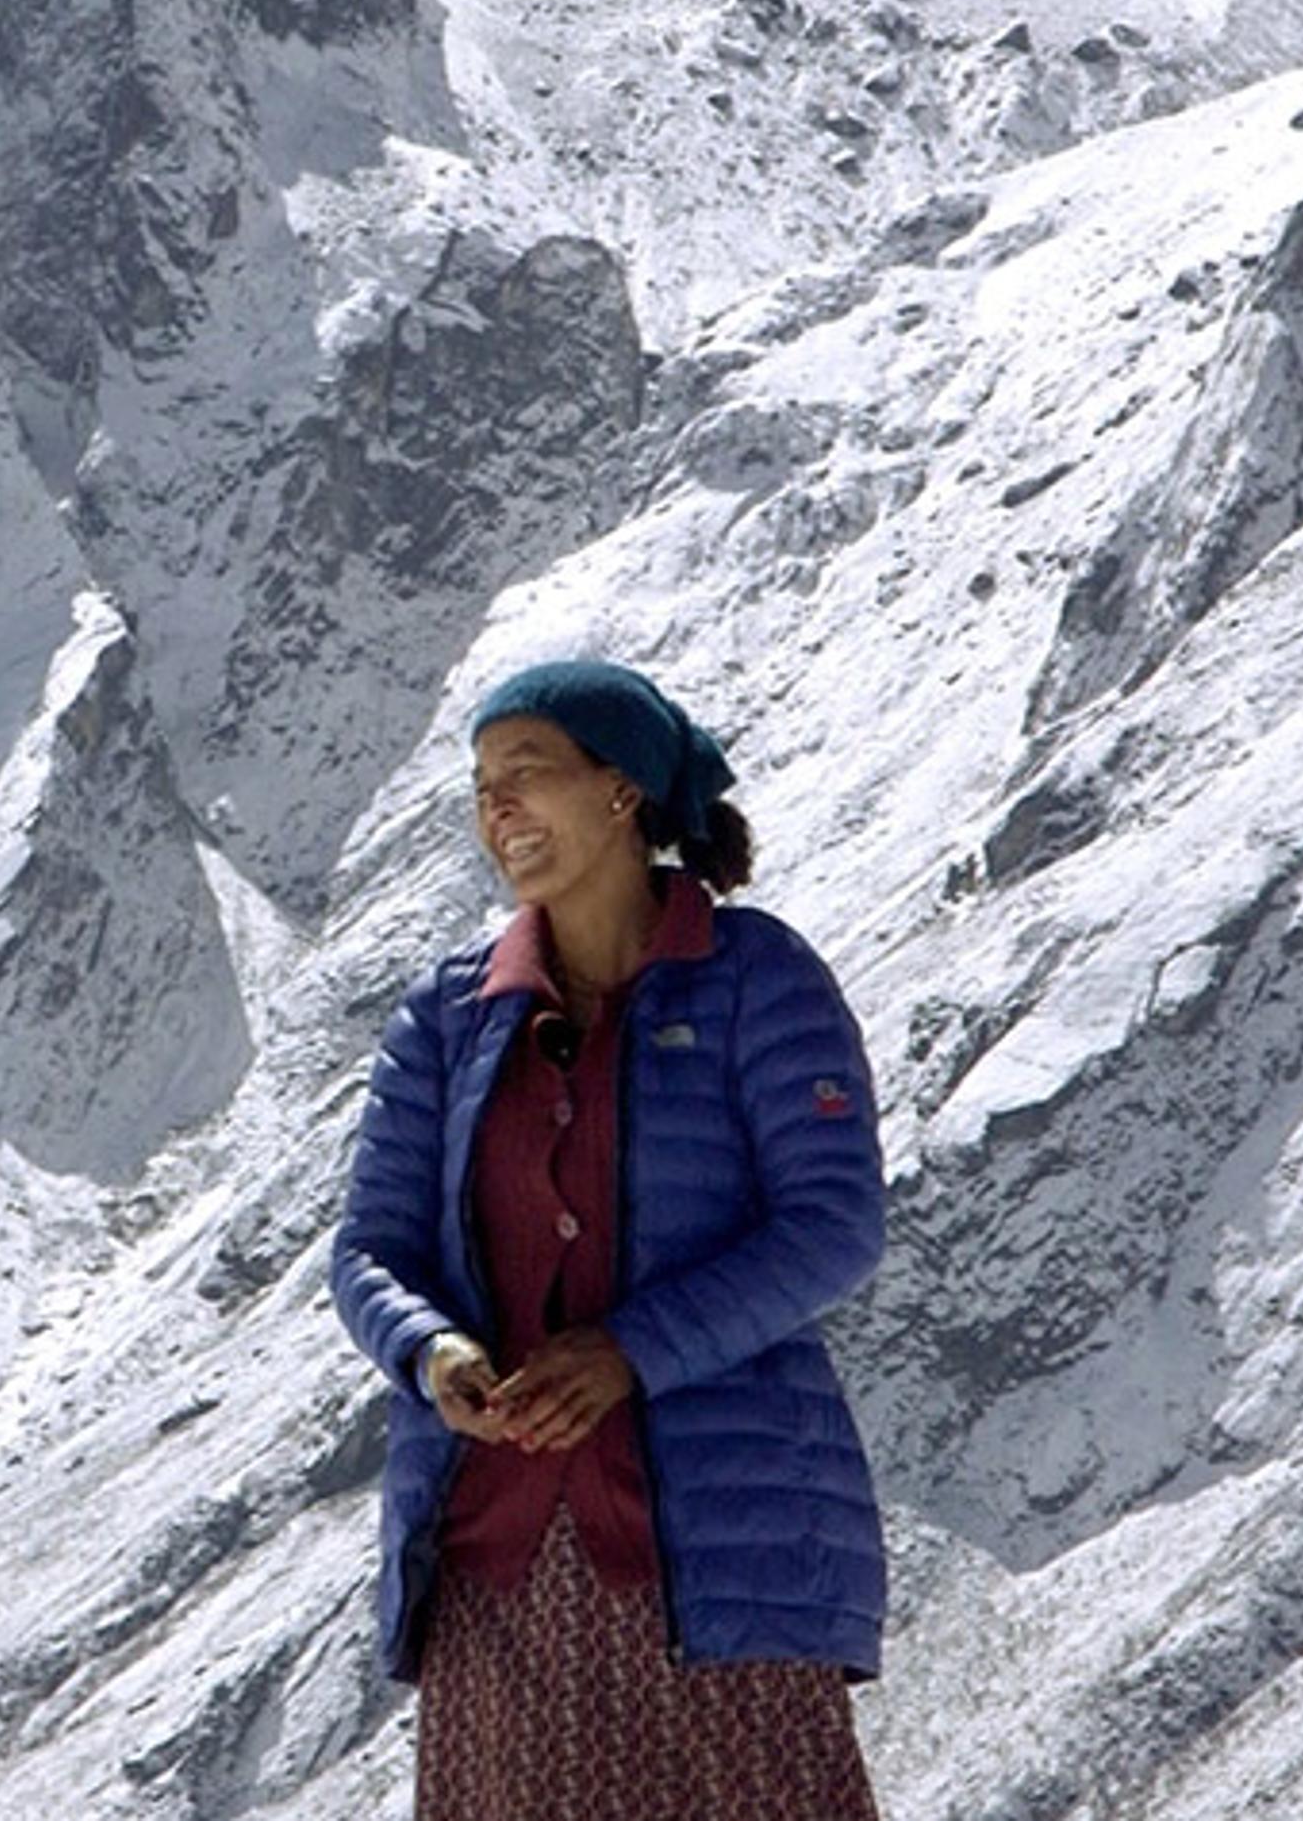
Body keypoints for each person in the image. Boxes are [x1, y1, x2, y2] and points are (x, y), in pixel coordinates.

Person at [332, 658, 886, 1820]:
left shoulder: (757, 981)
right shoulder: (448, 1016)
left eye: (526, 775)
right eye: (482, 786)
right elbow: (371, 1247)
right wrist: (434, 1354)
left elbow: (832, 1224)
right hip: (500, 1562)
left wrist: (629, 1349)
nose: (498, 808)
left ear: (622, 790)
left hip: (726, 1554)